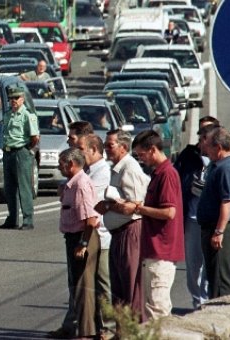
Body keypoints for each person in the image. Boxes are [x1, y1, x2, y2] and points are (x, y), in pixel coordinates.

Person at [121, 130, 184, 321]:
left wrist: (138, 209)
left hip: (161, 250)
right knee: (151, 307)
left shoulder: (167, 174)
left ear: (153, 149)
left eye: (142, 154)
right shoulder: (158, 173)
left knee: (157, 308)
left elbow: (169, 212)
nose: (141, 159)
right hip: (153, 249)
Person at [94, 129, 149, 322]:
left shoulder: (129, 168)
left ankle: (134, 330)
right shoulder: (116, 168)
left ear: (124, 147)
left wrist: (108, 205)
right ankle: (121, 330)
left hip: (130, 231)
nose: (106, 149)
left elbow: (134, 206)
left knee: (130, 287)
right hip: (118, 233)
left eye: (110, 145)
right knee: (118, 288)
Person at [52, 147, 101, 339]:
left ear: (71, 164)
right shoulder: (71, 184)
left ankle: (86, 332)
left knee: (83, 287)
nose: (59, 166)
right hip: (75, 237)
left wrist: (83, 244)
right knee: (77, 285)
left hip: (83, 237)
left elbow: (90, 219)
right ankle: (82, 329)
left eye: (61, 163)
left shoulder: (80, 184)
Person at [197, 126, 230, 298]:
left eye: (208, 145)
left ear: (218, 148)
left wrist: (219, 232)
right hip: (213, 227)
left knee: (221, 281)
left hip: (221, 229)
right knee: (214, 278)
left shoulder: (226, 168)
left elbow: (227, 201)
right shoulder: (217, 166)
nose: (204, 148)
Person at [173, 116, 218, 309]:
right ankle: (196, 300)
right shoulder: (188, 155)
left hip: (213, 220)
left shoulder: (222, 158)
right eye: (200, 134)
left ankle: (206, 302)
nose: (202, 139)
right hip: (191, 219)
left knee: (210, 265)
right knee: (193, 266)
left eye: (206, 134)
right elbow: (176, 177)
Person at [77, 134, 111, 335]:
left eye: (82, 148)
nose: (79, 152)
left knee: (104, 283)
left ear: (94, 150)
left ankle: (108, 327)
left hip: (102, 235)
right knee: (95, 285)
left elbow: (93, 207)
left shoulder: (102, 173)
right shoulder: (90, 171)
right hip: (94, 235)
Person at [0, 86, 40, 230]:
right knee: (9, 188)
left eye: (16, 98)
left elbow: (34, 137)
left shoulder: (28, 115)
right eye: (11, 99)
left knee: (24, 187)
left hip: (21, 152)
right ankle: (12, 219)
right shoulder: (8, 114)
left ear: (22, 99)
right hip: (8, 152)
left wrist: (26, 148)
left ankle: (28, 219)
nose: (13, 101)